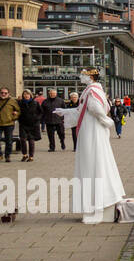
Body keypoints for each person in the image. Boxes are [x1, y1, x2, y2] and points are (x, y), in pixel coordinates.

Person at [53, 68, 125, 224]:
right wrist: (65, 112)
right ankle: (96, 203)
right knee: (94, 161)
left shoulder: (91, 91)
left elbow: (95, 110)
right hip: (91, 129)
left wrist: (106, 121)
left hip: (92, 131)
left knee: (92, 161)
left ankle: (97, 204)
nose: (81, 77)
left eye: (83, 75)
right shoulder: (91, 90)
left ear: (91, 77)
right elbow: (83, 111)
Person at [17, 90, 42, 162]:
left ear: (31, 95)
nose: (26, 95)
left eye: (28, 94)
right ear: (23, 95)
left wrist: (37, 118)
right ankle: (24, 154)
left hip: (33, 124)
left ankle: (31, 156)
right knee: (23, 139)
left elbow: (41, 112)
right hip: (23, 124)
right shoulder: (20, 103)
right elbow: (16, 110)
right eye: (24, 94)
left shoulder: (35, 103)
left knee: (31, 140)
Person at [0, 88, 19, 162]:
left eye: (5, 93)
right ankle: (0, 154)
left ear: (8, 93)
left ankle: (7, 155)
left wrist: (14, 117)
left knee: (9, 140)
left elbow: (18, 111)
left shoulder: (12, 101)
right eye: (2, 93)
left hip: (9, 124)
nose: (3, 94)